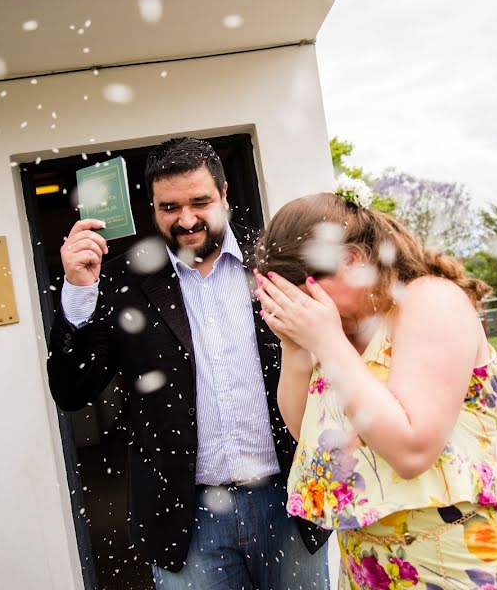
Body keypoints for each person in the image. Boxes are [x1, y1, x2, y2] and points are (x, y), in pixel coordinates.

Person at [46, 137, 330, 589]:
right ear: (152, 207)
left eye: (201, 202)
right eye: (170, 207)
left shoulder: (278, 261)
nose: (187, 219)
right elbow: (73, 389)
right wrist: (79, 292)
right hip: (185, 516)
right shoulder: (122, 279)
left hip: (290, 498)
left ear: (224, 195)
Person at [251, 188, 497, 589]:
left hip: (456, 566)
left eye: (304, 291)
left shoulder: (429, 301)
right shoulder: (333, 330)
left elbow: (412, 449)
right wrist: (294, 345)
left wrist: (328, 343)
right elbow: (308, 435)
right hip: (367, 569)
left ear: (352, 261)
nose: (300, 308)